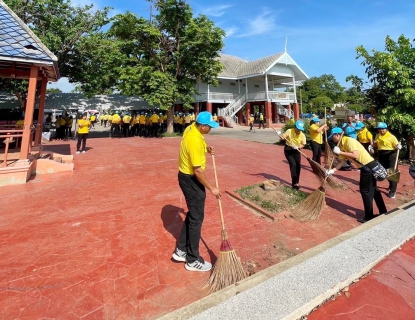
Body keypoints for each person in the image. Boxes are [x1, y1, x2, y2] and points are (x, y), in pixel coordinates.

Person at [172, 111, 221, 272]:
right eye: (210, 127)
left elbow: (194, 148)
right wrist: (212, 188)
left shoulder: (192, 129)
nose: (211, 129)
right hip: (191, 179)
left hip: (187, 177)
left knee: (193, 214)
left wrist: (206, 148)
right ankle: (192, 259)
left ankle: (181, 250)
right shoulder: (194, 139)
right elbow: (198, 171)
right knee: (197, 218)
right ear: (203, 126)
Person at [326, 127, 387, 223]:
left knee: (365, 191)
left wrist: (340, 152)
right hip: (366, 167)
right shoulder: (341, 145)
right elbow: (341, 161)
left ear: (337, 135)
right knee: (374, 190)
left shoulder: (349, 140)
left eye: (332, 137)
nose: (332, 139)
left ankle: (369, 216)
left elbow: (355, 155)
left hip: (368, 166)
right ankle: (383, 211)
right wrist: (332, 170)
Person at [372, 122, 401, 199]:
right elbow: (376, 144)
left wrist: (398, 146)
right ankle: (391, 185)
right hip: (382, 155)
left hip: (391, 155)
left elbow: (396, 146)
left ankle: (392, 191)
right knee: (384, 172)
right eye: (379, 129)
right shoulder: (377, 136)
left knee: (392, 173)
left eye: (382, 129)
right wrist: (371, 146)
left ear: (386, 129)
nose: (381, 130)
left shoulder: (391, 137)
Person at [279, 120, 306, 189]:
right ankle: (294, 184)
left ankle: (297, 182)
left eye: (300, 129)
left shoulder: (302, 135)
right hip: (288, 150)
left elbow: (303, 144)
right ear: (295, 127)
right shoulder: (289, 131)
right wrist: (279, 134)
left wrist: (298, 147)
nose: (299, 130)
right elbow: (283, 138)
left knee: (298, 166)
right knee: (293, 165)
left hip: (297, 150)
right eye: (298, 129)